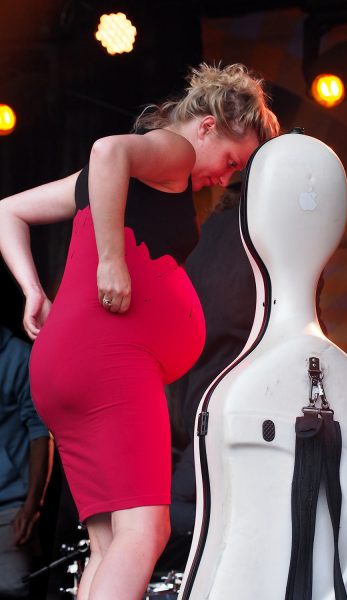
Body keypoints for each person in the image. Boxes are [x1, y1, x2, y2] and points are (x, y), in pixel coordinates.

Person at [0, 62, 280, 600]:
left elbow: (9, 210)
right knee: (146, 531)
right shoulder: (173, 151)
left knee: (109, 544)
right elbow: (109, 150)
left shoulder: (118, 181)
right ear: (205, 127)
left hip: (63, 370)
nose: (224, 177)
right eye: (229, 160)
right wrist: (111, 260)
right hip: (111, 364)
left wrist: (33, 291)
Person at [0, 325, 50, 599]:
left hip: (9, 510)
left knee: (11, 589)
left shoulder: (19, 356)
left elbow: (41, 432)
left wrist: (32, 505)